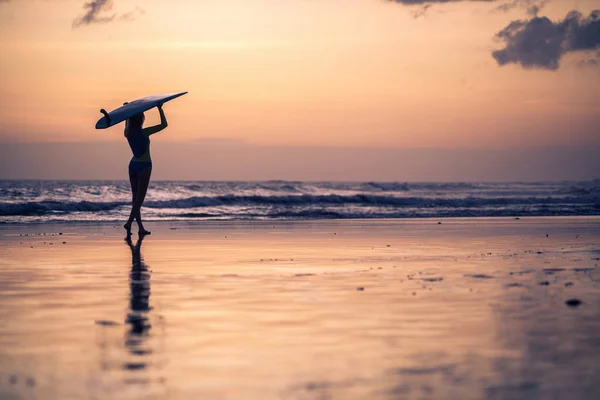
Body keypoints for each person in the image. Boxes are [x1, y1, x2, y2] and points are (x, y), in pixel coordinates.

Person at [123, 104, 168, 236]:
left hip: (132, 165)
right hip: (144, 165)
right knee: (139, 200)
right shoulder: (145, 132)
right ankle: (129, 223)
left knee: (135, 198)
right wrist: (160, 108)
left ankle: (140, 228)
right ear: (141, 119)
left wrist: (127, 112)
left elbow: (126, 122)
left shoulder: (127, 133)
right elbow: (164, 124)